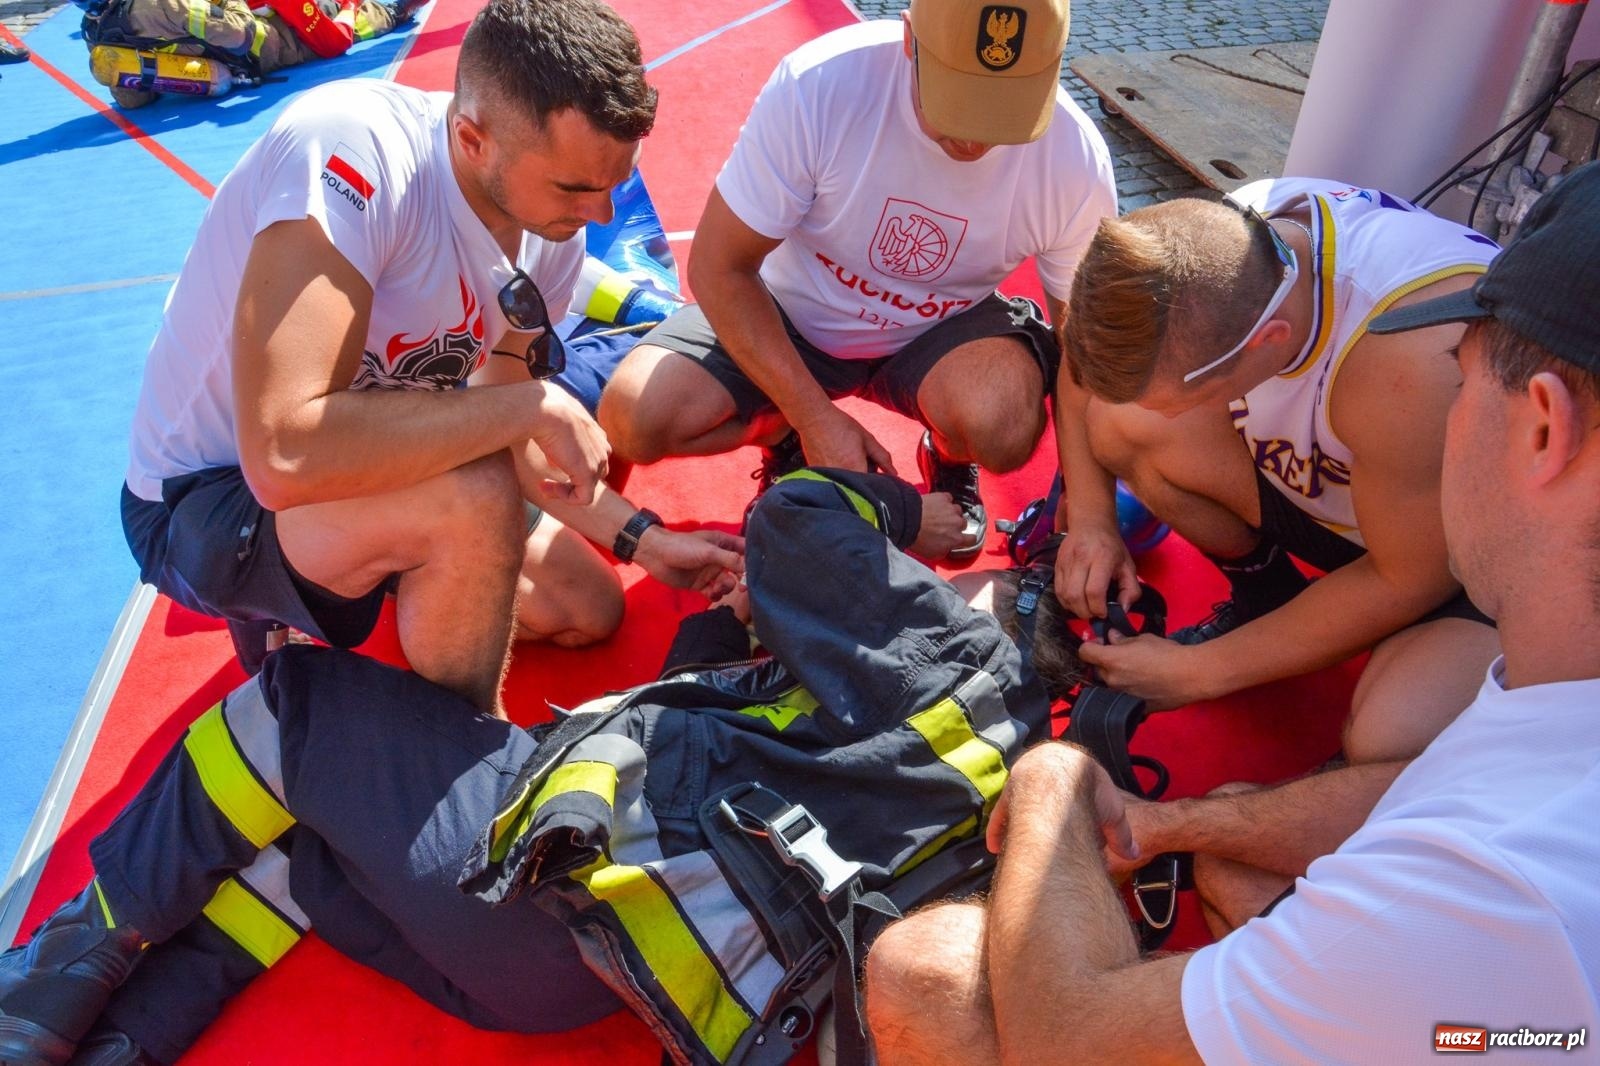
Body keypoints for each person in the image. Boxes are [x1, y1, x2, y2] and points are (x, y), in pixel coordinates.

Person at [863, 161, 1600, 1064]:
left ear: (1541, 427)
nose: (1454, 405)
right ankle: (1268, 604)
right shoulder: (1214, 252)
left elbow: (1068, 1039)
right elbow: (1091, 376)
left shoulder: (1472, 896)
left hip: (1451, 984)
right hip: (1475, 1012)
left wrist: (1059, 776)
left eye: (1468, 373)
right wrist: (1174, 823)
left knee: (923, 973)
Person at [0, 471, 1086, 1066]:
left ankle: (43, 989)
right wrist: (728, 639)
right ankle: (128, 1039)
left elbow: (798, 514)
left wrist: (903, 516)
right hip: (586, 989)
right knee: (314, 839)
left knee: (295, 711)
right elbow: (715, 748)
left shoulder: (949, 644)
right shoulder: (1013, 774)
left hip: (539, 891)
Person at [119, 0, 743, 716]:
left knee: (587, 606)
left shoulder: (554, 228)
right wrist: (534, 404)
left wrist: (644, 540)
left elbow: (503, 419)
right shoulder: (351, 154)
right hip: (210, 494)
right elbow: (283, 454)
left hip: (367, 459)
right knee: (475, 493)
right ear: (473, 139)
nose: (602, 216)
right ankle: (463, 763)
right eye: (576, 187)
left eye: (616, 181)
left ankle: (372, 568)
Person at [596, 0, 1116, 560]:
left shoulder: (1075, 157)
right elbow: (718, 267)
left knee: (1005, 425)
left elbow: (1085, 354)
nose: (975, 140)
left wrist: (1091, 516)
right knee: (634, 419)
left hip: (941, 332)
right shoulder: (821, 84)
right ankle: (783, 431)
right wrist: (813, 417)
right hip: (790, 313)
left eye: (1003, 109)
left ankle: (948, 452)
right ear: (910, 39)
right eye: (958, 100)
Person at [1053, 179, 1502, 769]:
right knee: (1122, 420)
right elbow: (1087, 366)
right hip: (1381, 497)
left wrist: (1204, 672)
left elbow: (1406, 579)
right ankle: (1268, 598)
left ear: (1271, 340)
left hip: (1472, 562)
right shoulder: (1228, 241)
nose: (1168, 412)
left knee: (1388, 735)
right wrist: (1092, 519)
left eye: (1179, 399)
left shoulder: (1411, 363)